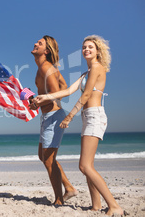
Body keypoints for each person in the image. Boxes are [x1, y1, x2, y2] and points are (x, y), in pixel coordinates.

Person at [34, 35, 123, 215]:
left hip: (95, 116)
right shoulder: (86, 73)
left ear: (98, 50)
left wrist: (69, 117)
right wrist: (45, 97)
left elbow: (86, 95)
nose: (86, 50)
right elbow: (67, 90)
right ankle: (96, 205)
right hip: (88, 117)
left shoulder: (98, 68)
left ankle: (114, 206)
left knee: (84, 167)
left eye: (90, 47)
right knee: (88, 165)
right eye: (84, 47)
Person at [30, 35, 77, 205]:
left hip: (53, 116)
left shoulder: (46, 68)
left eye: (40, 43)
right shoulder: (46, 68)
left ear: (46, 50)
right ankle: (69, 188)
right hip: (47, 116)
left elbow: (56, 92)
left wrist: (42, 100)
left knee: (48, 160)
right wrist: (38, 101)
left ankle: (59, 200)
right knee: (43, 156)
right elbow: (63, 88)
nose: (35, 43)